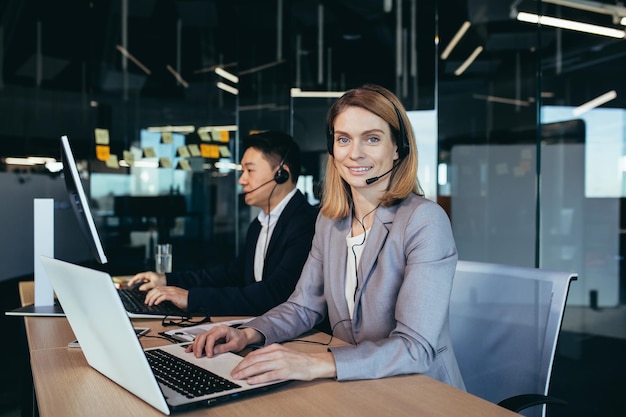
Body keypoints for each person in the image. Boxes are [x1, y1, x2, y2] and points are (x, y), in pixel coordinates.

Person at [187, 84, 466, 390]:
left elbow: (415, 347)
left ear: (398, 148)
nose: (355, 153)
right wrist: (248, 333)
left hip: (420, 391)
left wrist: (315, 363)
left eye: (372, 138)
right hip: (356, 386)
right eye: (343, 139)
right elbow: (303, 306)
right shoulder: (330, 222)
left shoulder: (423, 220)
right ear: (332, 149)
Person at [127, 131, 318, 317]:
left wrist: (192, 299)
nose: (242, 180)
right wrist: (167, 280)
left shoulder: (306, 224)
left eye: (250, 171)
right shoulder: (259, 224)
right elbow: (231, 274)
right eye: (242, 171)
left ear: (281, 175)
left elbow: (274, 294)